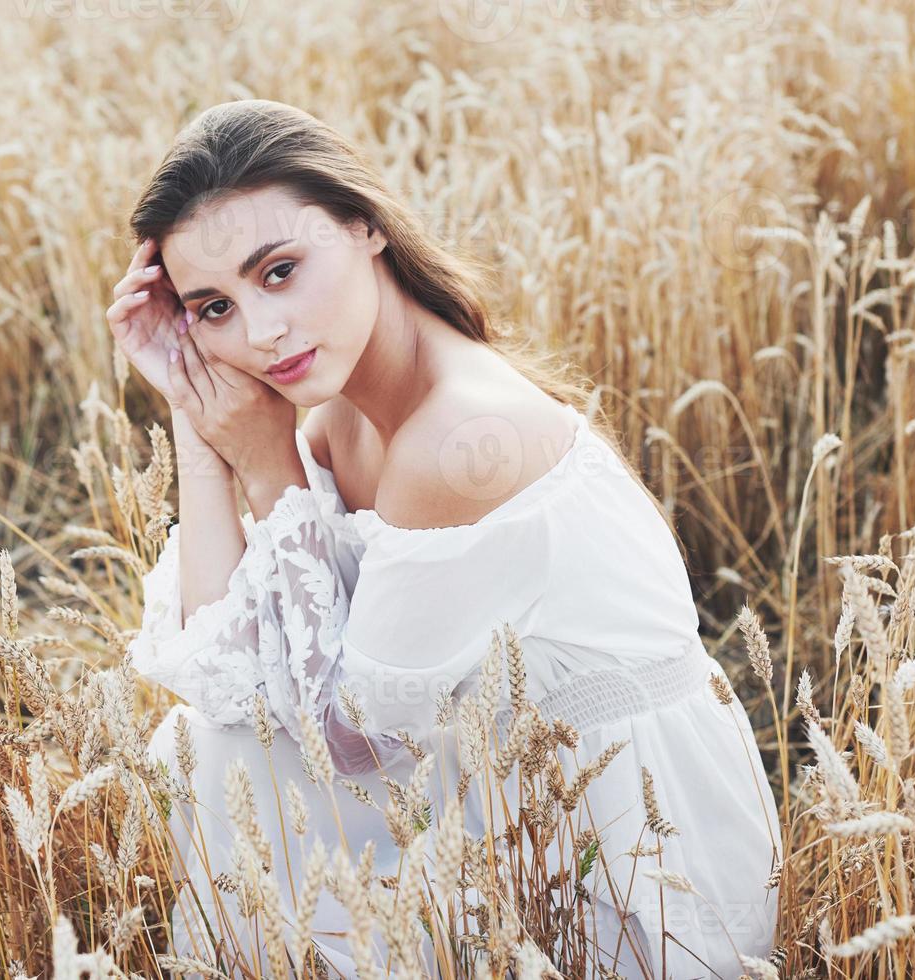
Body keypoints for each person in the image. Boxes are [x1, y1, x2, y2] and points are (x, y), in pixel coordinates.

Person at [107, 99, 780, 979]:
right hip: (491, 780)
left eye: (278, 272)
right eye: (215, 309)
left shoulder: (456, 442)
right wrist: (198, 437)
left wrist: (266, 465)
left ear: (365, 226)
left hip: (624, 848)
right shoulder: (342, 409)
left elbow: (347, 740)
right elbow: (225, 667)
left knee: (233, 766)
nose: (262, 333)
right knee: (210, 745)